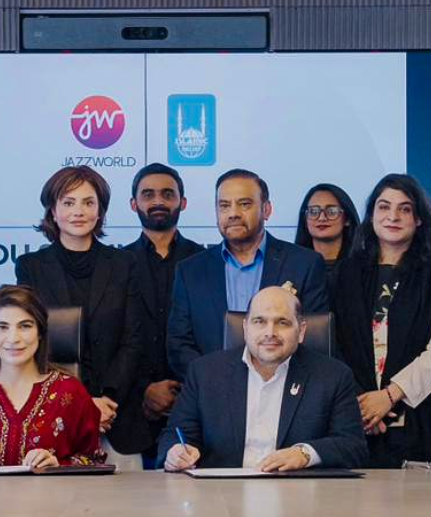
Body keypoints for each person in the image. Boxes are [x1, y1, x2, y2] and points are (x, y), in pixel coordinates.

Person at [15, 167, 143, 469]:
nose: (79, 211)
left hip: (116, 414)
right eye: (68, 202)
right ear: (53, 210)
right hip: (54, 414)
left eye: (88, 202)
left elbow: (133, 340)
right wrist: (83, 404)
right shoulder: (31, 267)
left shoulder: (124, 263)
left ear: (100, 211)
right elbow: (35, 343)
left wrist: (106, 399)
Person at [158, 286, 367, 471]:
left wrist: (305, 453)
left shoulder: (333, 376)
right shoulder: (205, 373)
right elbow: (175, 435)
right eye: (259, 321)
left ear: (301, 330)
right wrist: (176, 453)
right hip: (221, 494)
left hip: (298, 494)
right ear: (245, 327)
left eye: (282, 322)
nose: (270, 332)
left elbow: (353, 447)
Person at [332, 174, 431, 468]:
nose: (393, 216)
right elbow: (333, 344)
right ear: (371, 215)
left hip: (415, 415)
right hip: (354, 413)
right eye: (384, 207)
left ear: (419, 219)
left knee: (414, 497)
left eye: (405, 209)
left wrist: (389, 396)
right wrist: (361, 402)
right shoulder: (345, 273)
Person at [166, 169, 329, 380]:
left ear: (266, 209)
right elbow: (179, 344)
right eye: (224, 205)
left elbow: (313, 340)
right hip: (212, 392)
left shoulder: (304, 264)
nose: (233, 213)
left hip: (285, 389)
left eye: (244, 204)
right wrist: (215, 383)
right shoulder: (190, 271)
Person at [0, 286, 104, 469]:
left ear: (40, 332)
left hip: (50, 489)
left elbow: (93, 460)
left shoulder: (70, 392)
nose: (13, 338)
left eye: (25, 326)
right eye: (2, 327)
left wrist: (58, 466)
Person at [124, 163, 203, 468]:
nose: (158, 201)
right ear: (134, 204)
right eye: (148, 194)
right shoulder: (116, 264)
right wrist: (145, 388)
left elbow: (210, 335)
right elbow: (113, 338)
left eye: (168, 194)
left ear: (183, 202)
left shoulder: (205, 261)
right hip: (132, 411)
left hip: (197, 405)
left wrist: (189, 389)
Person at [294, 183, 359, 292]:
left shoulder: (362, 265)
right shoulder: (292, 264)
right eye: (314, 211)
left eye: (331, 211)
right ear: (305, 219)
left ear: (347, 219)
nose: (322, 218)